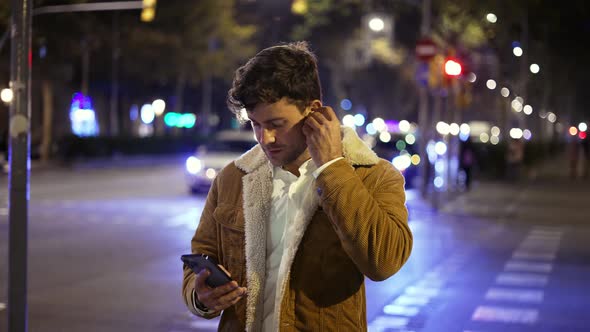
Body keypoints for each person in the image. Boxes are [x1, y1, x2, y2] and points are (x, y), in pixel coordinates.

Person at [181, 41, 413, 331]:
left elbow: (383, 261)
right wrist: (201, 296)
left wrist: (332, 168)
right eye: (255, 124)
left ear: (313, 111)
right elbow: (200, 258)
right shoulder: (234, 178)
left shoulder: (372, 175)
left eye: (277, 123)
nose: (265, 138)